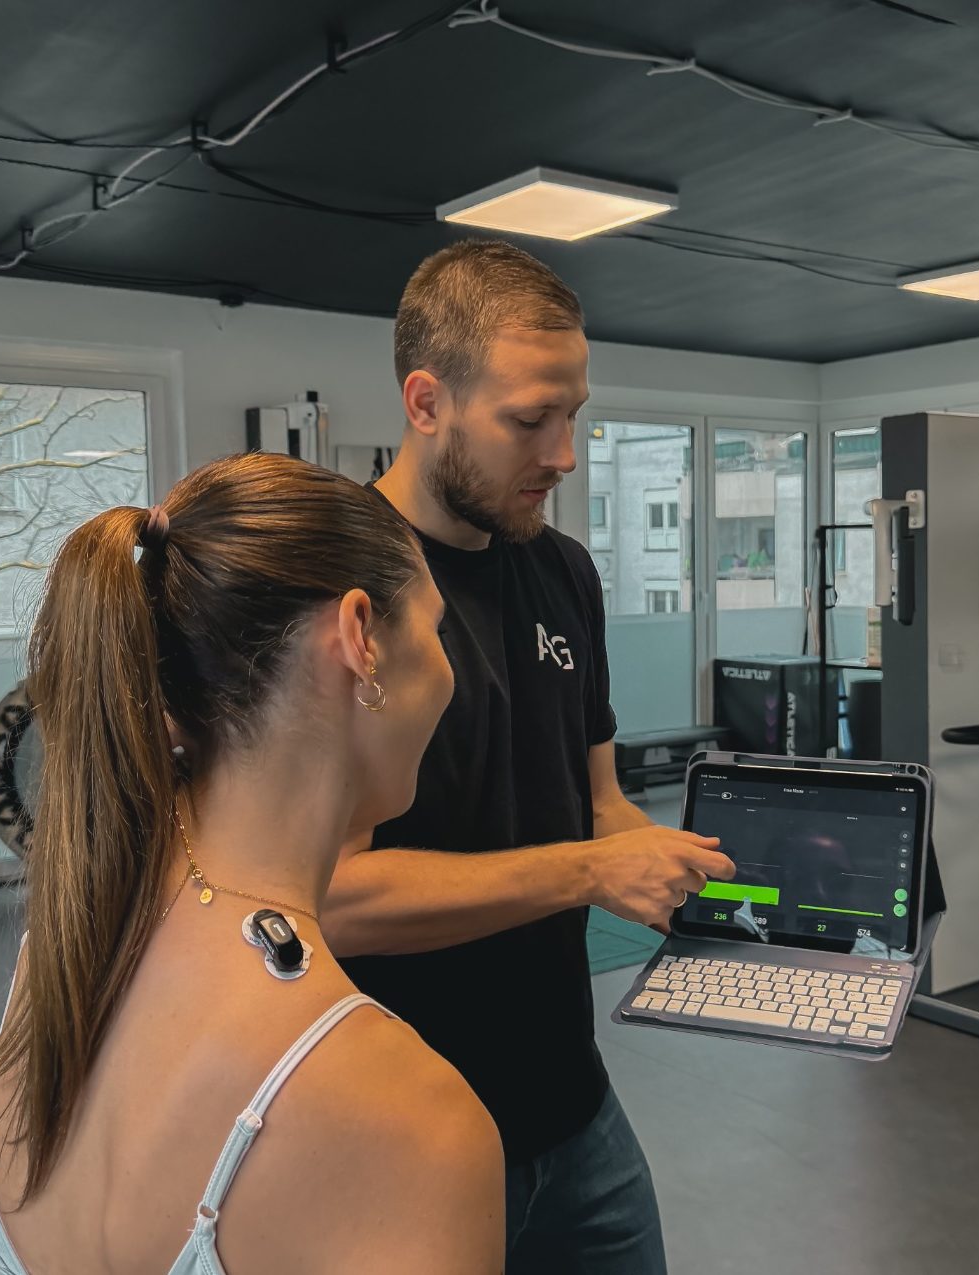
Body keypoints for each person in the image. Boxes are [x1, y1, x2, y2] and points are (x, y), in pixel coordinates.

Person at [323, 239, 737, 1273]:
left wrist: (727, 891)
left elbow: (598, 808)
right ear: (425, 403)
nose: (562, 454)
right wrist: (589, 873)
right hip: (407, 1127)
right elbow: (329, 898)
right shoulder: (334, 591)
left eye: (574, 417)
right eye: (528, 421)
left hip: (572, 1102)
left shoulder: (565, 572)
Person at [0, 453, 503, 1274]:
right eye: (437, 634)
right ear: (360, 637)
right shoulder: (414, 1124)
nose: (449, 677)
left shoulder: (50, 973)